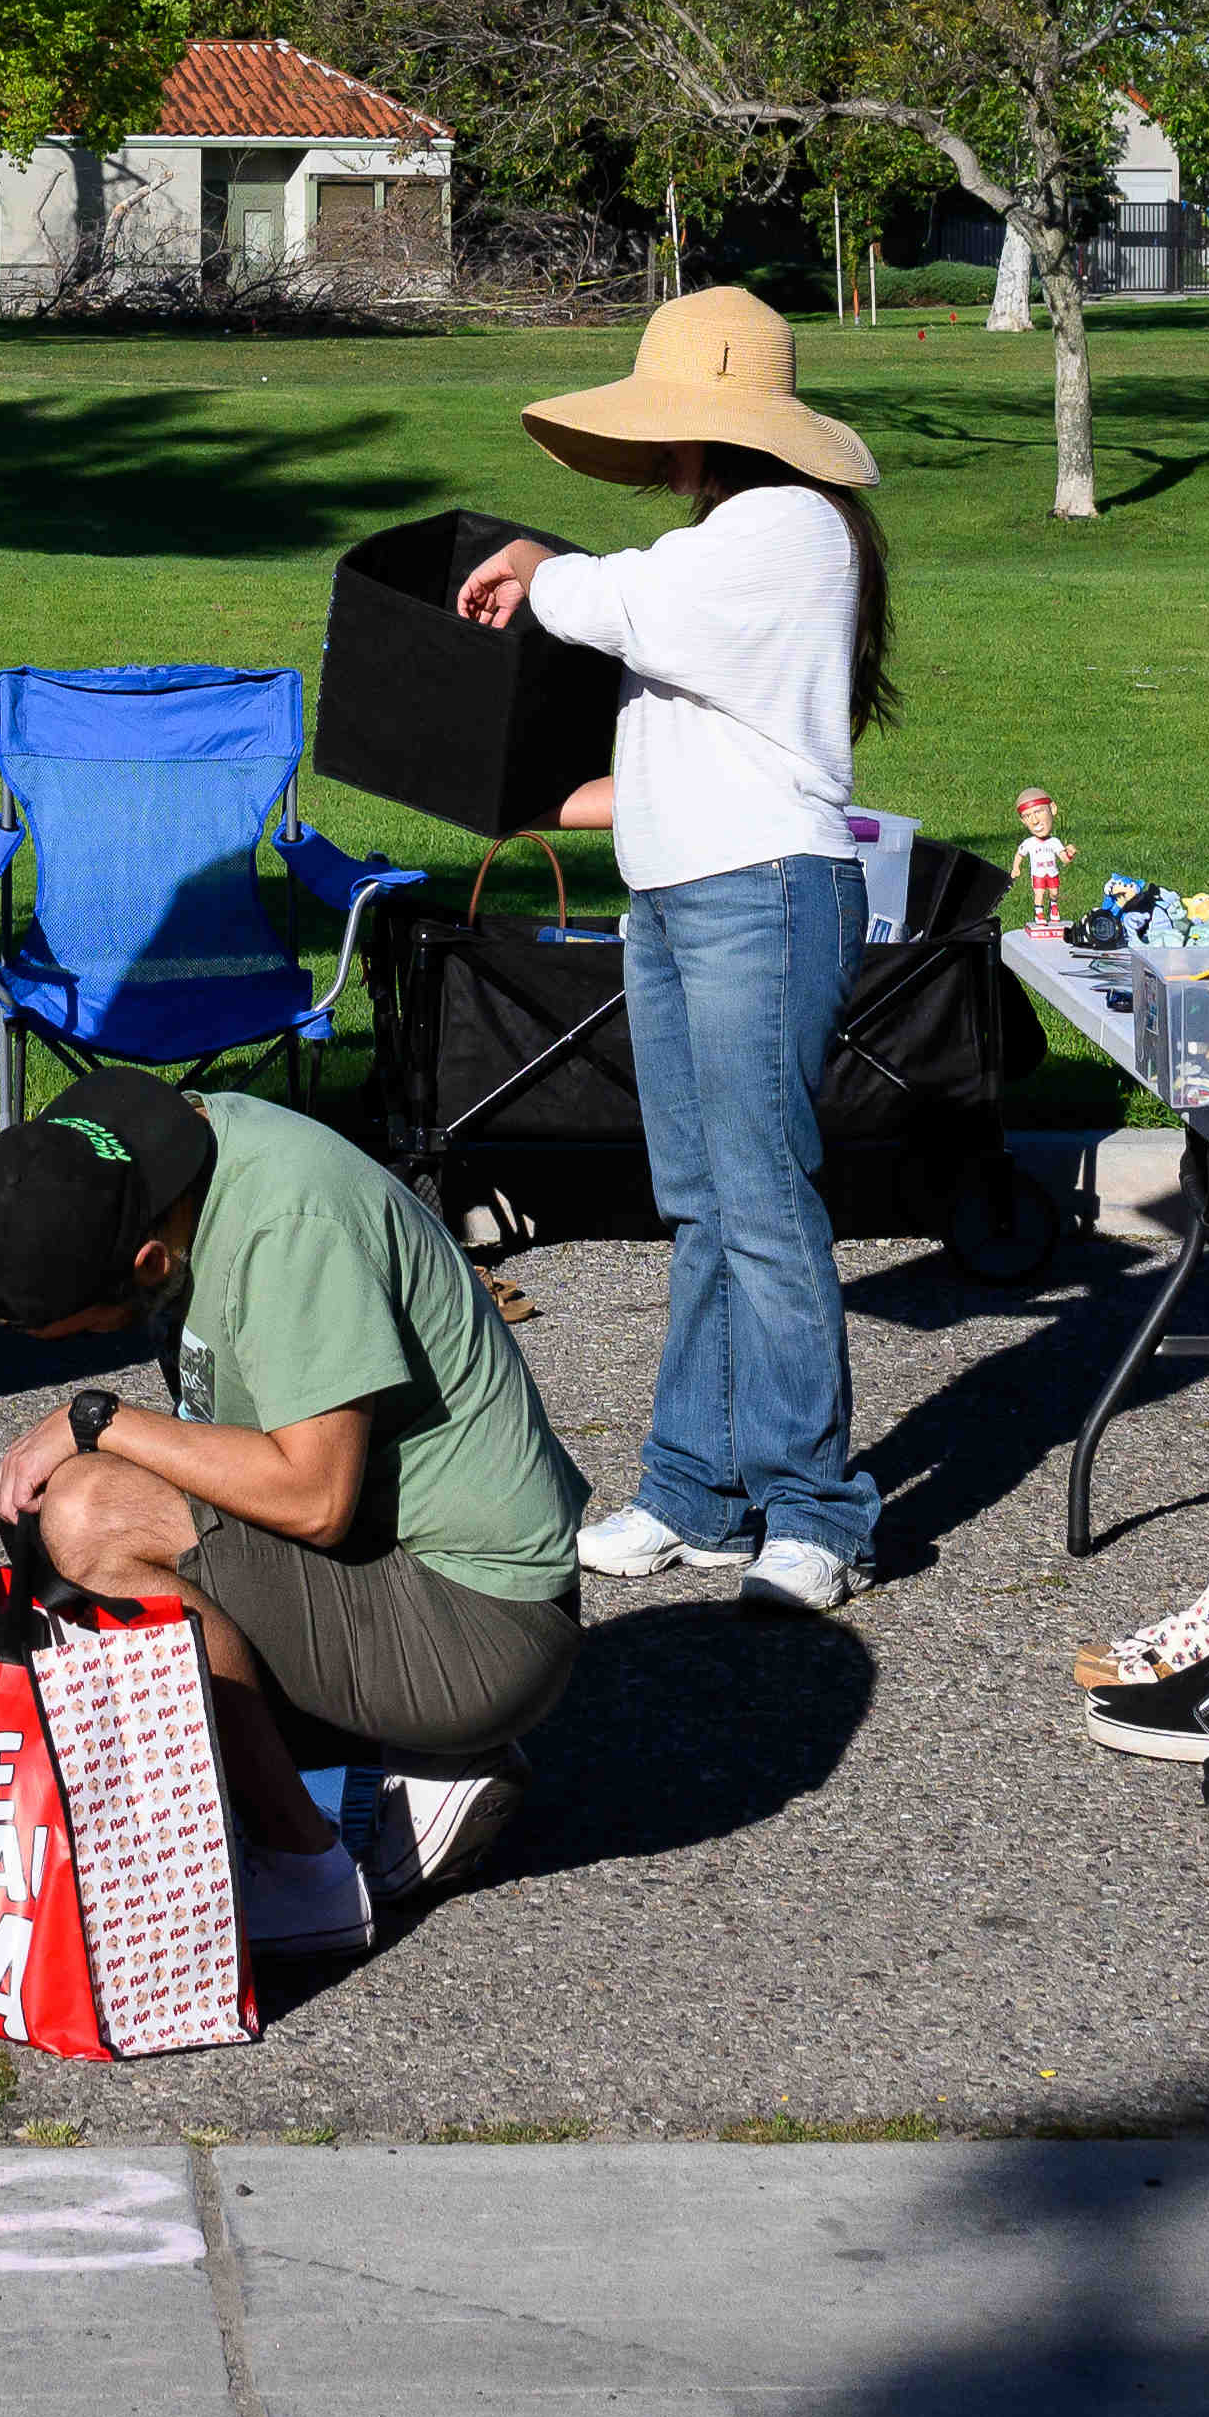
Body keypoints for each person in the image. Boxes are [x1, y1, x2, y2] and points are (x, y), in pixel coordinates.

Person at [453, 284, 899, 1614]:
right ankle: (693, 1494)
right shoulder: (732, 543)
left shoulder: (782, 525)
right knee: (706, 1203)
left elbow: (620, 605)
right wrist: (572, 799)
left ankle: (817, 1512)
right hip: (692, 886)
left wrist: (537, 564)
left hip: (759, 892)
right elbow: (698, 727)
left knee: (758, 1205)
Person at [0, 1081, 586, 1956]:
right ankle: (397, 1766)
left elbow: (314, 1501)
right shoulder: (141, 1164)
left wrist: (96, 1417)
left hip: (480, 1628)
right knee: (77, 1532)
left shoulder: (287, 1225)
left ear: (145, 1263)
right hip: (409, 1565)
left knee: (91, 1514)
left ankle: (308, 1872)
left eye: (66, 1329)